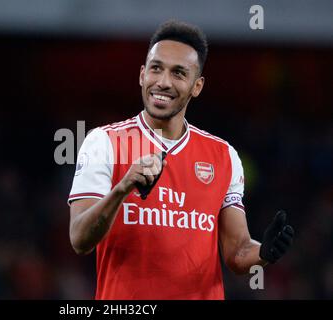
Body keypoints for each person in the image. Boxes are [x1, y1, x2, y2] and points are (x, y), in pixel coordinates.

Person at [67, 20, 294, 299]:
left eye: (178, 73)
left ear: (196, 86)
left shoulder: (223, 156)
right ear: (142, 74)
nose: (163, 82)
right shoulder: (104, 143)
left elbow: (237, 254)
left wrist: (264, 252)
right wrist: (122, 189)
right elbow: (79, 239)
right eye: (156, 68)